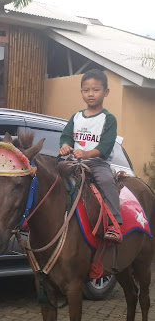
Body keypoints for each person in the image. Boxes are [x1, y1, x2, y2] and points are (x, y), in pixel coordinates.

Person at [59, 69, 122, 243]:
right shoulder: (76, 117)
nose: (91, 94)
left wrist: (86, 153)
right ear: (81, 92)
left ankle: (114, 224)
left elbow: (106, 146)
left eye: (96, 90)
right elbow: (66, 136)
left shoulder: (108, 119)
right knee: (51, 176)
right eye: (86, 90)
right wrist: (65, 146)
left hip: (96, 163)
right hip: (74, 162)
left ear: (106, 92)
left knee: (107, 182)